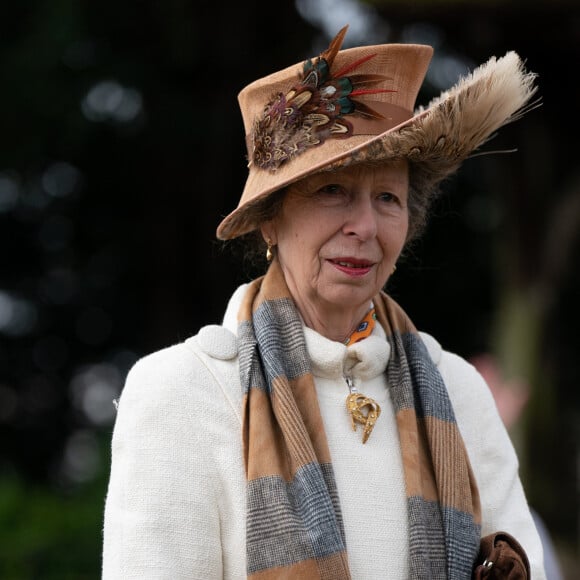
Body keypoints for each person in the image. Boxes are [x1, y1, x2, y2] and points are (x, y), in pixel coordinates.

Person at [102, 25, 546, 579]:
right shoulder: (183, 393)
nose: (363, 225)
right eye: (332, 190)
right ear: (270, 217)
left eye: (388, 197)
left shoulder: (458, 391)